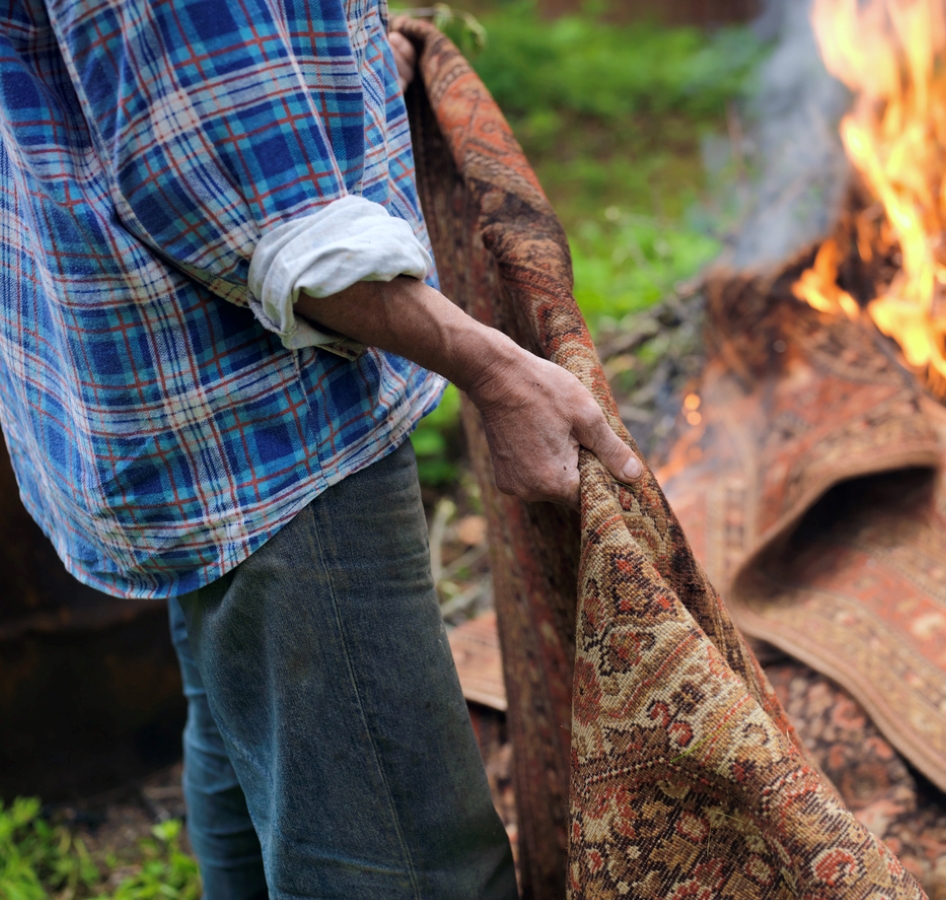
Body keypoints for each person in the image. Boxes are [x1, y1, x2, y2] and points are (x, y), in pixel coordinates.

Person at [0, 3, 642, 897]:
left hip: (161, 410)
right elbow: (266, 213)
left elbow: (152, 75)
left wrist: (348, 62)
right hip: (265, 429)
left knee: (245, 740)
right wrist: (499, 373)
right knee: (411, 864)